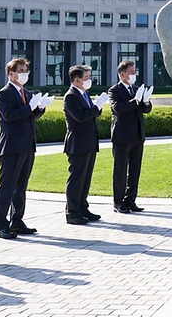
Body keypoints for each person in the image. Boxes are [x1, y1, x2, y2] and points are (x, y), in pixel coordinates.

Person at [0, 57, 46, 239]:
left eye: (26, 71)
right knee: (7, 187)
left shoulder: (27, 92)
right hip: (11, 146)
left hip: (27, 144)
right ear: (11, 73)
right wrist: (29, 108)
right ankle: (1, 225)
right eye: (21, 71)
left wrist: (39, 108)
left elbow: (31, 115)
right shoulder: (4, 94)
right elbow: (8, 115)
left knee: (21, 186)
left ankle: (17, 221)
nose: (25, 74)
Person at [63, 65, 105, 225]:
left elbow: (91, 114)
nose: (89, 80)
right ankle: (72, 212)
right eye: (86, 77)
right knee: (76, 178)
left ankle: (82, 207)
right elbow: (80, 117)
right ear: (77, 80)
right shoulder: (71, 96)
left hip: (88, 141)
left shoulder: (83, 93)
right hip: (78, 142)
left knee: (86, 178)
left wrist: (96, 107)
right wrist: (96, 107)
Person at [108, 60, 152, 214]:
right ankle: (118, 202)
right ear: (122, 74)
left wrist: (145, 101)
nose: (134, 74)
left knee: (135, 170)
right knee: (120, 170)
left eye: (134, 72)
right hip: (122, 136)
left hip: (137, 135)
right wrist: (135, 101)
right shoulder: (114, 90)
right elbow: (117, 108)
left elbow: (146, 109)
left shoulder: (136, 89)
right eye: (131, 72)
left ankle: (130, 200)